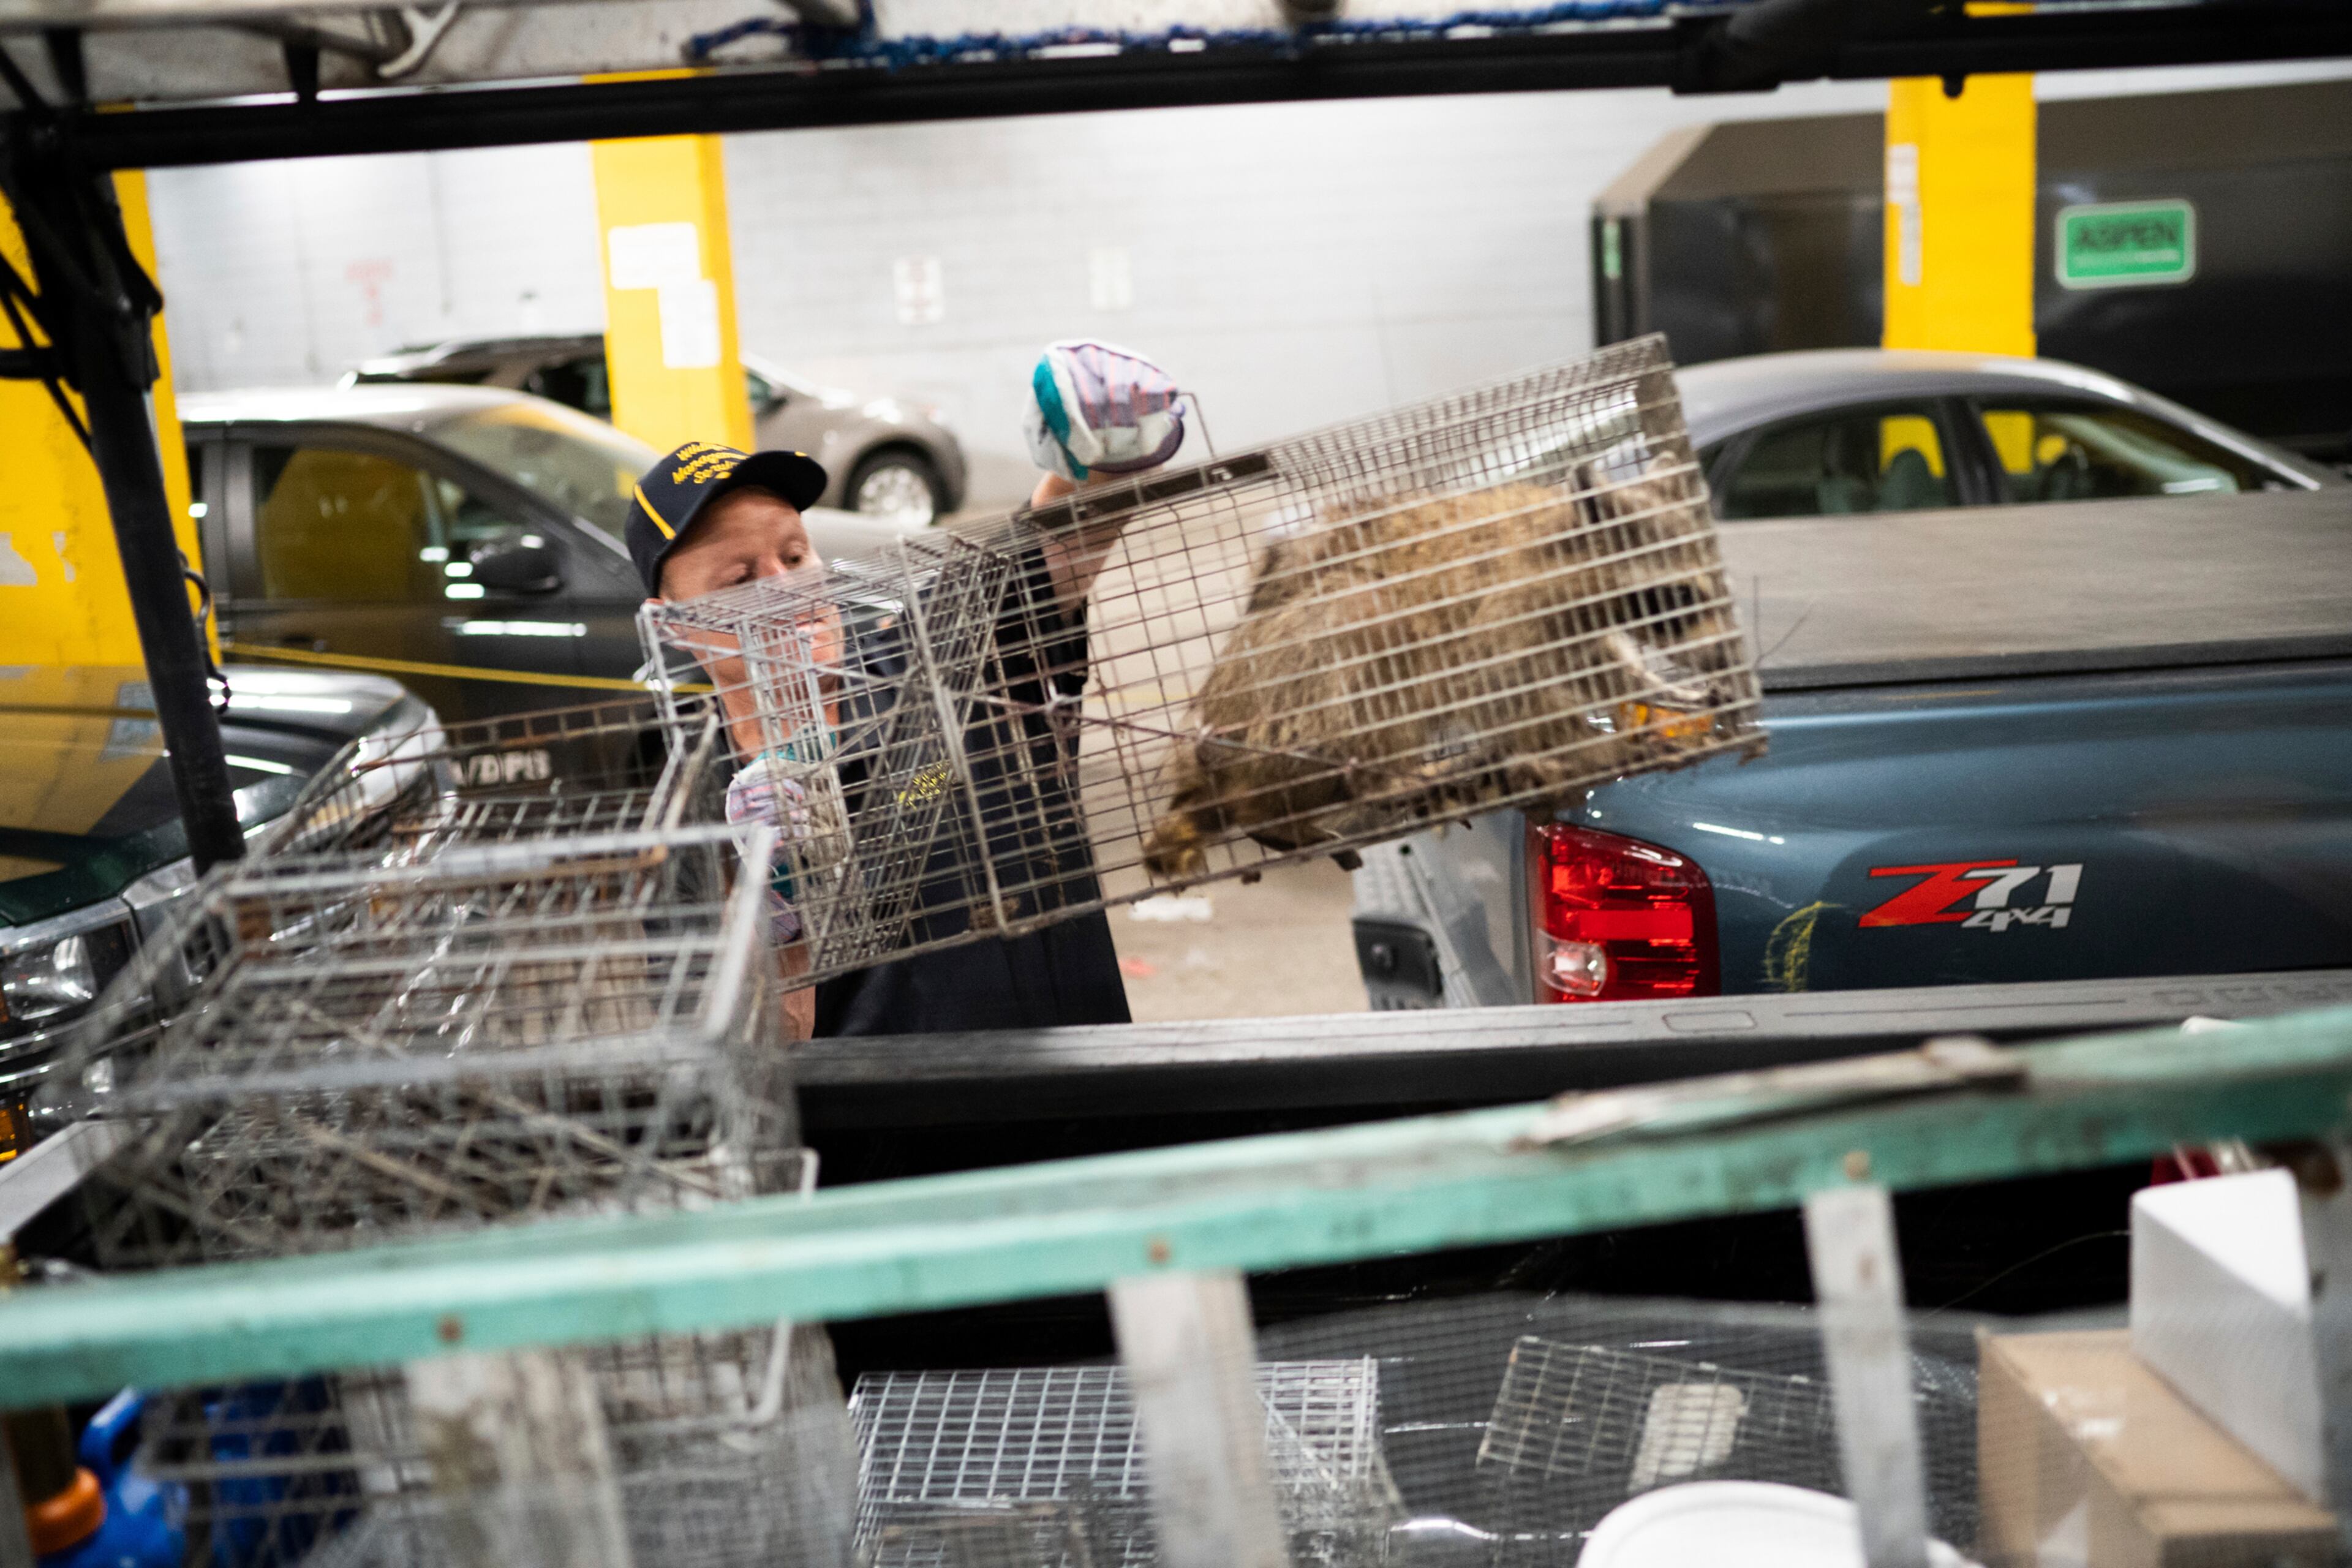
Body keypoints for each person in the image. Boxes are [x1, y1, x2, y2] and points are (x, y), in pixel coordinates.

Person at [630, 342, 1187, 1039]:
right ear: (674, 625)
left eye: (795, 554)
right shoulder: (691, 815)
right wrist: (771, 912)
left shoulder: (935, 654)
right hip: (898, 1130)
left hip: (1073, 1085)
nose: (786, 589)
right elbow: (741, 1061)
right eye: (740, 580)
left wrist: (1103, 452)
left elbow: (1059, 545)